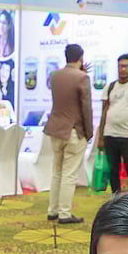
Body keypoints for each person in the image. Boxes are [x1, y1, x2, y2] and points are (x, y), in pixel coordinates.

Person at [44, 43, 94, 225]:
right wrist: (89, 132)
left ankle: (53, 210)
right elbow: (86, 108)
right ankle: (65, 213)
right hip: (74, 130)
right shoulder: (82, 77)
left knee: (56, 171)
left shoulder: (55, 75)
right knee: (69, 173)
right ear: (81, 57)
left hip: (55, 129)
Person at [96, 53, 128, 195]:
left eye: (126, 66)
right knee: (113, 170)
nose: (122, 69)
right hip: (110, 134)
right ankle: (115, 199)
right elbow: (104, 111)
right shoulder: (110, 87)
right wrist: (100, 136)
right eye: (120, 66)